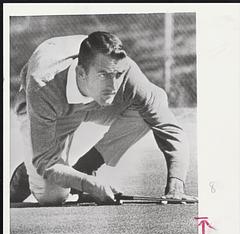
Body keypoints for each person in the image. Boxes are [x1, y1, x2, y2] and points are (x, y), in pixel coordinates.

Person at [10, 31, 192, 206]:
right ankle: (28, 169)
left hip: (96, 103)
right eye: (103, 75)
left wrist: (176, 182)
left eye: (117, 76)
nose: (113, 85)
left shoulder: (124, 70)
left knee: (151, 104)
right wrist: (88, 184)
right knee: (52, 197)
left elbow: (168, 125)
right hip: (48, 109)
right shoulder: (43, 84)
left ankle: (86, 166)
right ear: (81, 73)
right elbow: (46, 163)